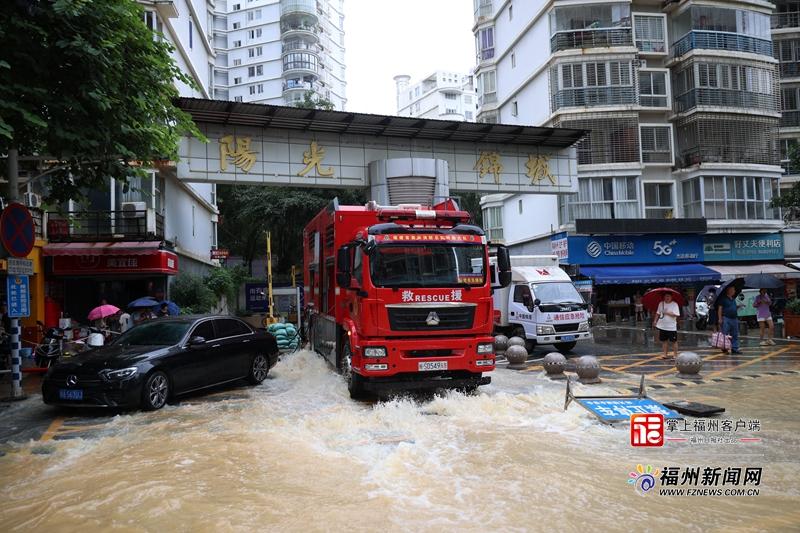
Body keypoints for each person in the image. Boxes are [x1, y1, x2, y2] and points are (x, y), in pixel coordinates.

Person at [654, 292, 680, 359]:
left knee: (674, 341)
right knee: (664, 341)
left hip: (671, 327)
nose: (667, 298)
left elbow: (677, 314)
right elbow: (657, 313)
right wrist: (655, 321)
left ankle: (675, 354)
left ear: (671, 297)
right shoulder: (661, 303)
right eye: (666, 296)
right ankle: (665, 354)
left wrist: (667, 313)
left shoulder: (674, 304)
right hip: (662, 325)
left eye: (668, 296)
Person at [718, 285, 743, 355]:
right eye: (733, 290)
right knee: (725, 334)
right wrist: (720, 318)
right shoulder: (723, 299)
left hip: (734, 318)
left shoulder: (733, 299)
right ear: (729, 290)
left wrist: (738, 307)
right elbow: (720, 309)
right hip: (726, 318)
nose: (734, 291)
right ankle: (724, 348)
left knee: (735, 334)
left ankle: (734, 348)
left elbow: (733, 307)